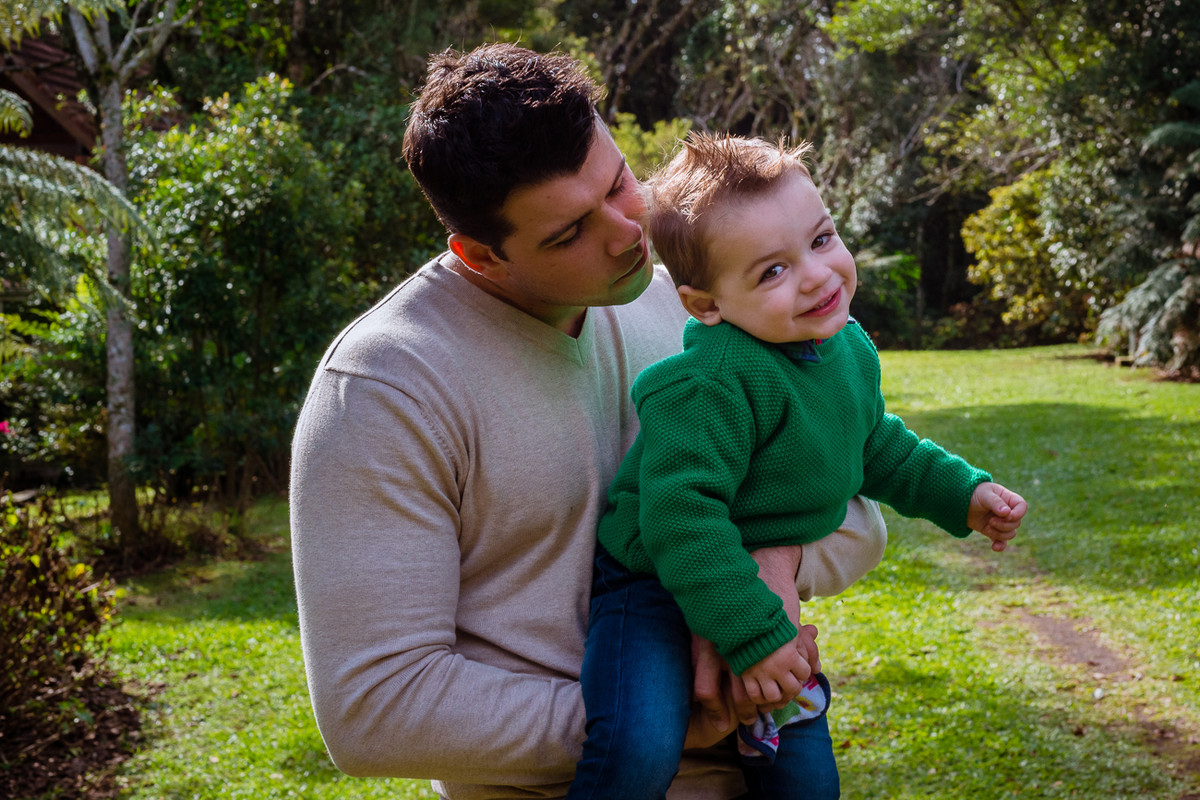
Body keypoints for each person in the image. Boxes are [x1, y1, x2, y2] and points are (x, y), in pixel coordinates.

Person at [289, 43, 888, 800]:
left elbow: (857, 507)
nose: (626, 230)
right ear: (480, 254)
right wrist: (659, 719)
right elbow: (374, 710)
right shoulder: (385, 386)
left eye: (619, 182)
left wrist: (777, 565)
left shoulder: (694, 306)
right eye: (569, 232)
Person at [566, 132, 1029, 800]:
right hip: (655, 590)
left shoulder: (844, 345)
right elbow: (681, 518)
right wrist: (755, 634)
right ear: (705, 305)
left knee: (806, 779)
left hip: (759, 597)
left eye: (820, 241)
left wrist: (965, 494)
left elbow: (875, 446)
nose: (816, 274)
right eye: (771, 271)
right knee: (639, 745)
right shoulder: (710, 382)